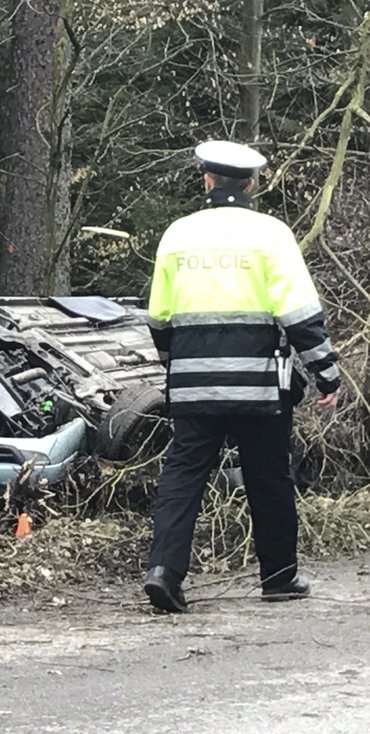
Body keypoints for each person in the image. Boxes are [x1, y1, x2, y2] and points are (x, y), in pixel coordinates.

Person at [142, 140, 340, 613]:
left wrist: (178, 364)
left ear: (207, 180)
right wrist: (326, 376)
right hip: (258, 384)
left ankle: (164, 572)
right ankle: (278, 576)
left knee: (183, 475)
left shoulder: (177, 235)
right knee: (268, 475)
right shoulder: (272, 235)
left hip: (192, 384)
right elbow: (300, 316)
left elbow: (158, 318)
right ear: (251, 183)